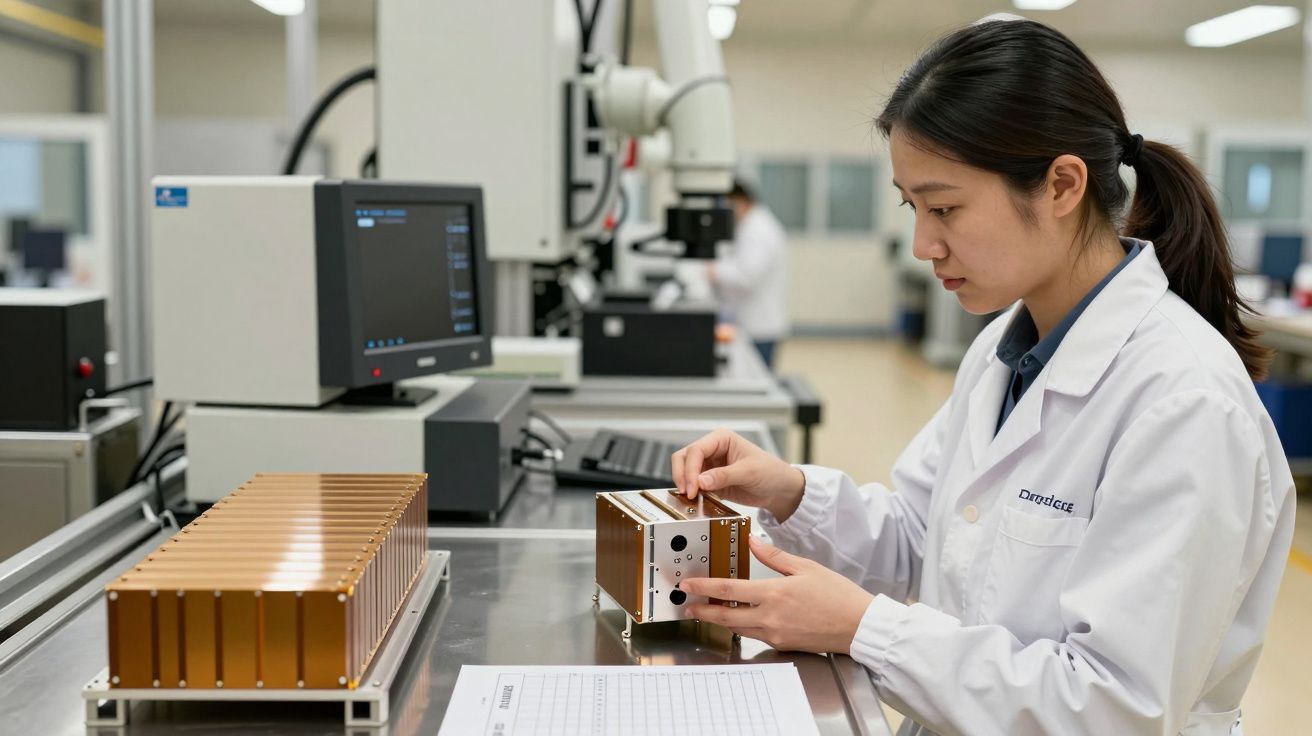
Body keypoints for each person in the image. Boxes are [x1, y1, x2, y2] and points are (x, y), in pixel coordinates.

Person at [671, 19, 1295, 736]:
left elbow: (1115, 707)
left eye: (944, 208)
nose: (922, 243)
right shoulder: (1006, 347)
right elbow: (927, 537)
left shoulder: (1185, 401)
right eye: (912, 207)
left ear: (1062, 185)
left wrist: (866, 629)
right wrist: (790, 490)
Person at [708, 179, 789, 369]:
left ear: (741, 201)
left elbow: (747, 277)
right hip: (751, 323)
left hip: (758, 327)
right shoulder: (749, 226)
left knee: (758, 375)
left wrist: (713, 270)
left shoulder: (759, 230)